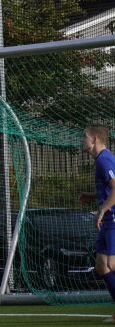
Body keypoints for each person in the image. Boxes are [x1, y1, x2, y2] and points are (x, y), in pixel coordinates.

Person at [78, 124, 115, 322]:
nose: (81, 140)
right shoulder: (100, 160)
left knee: (110, 263)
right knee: (102, 267)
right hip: (108, 219)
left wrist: (102, 209)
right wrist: (92, 196)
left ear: (94, 140)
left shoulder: (104, 160)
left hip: (113, 219)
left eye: (84, 136)